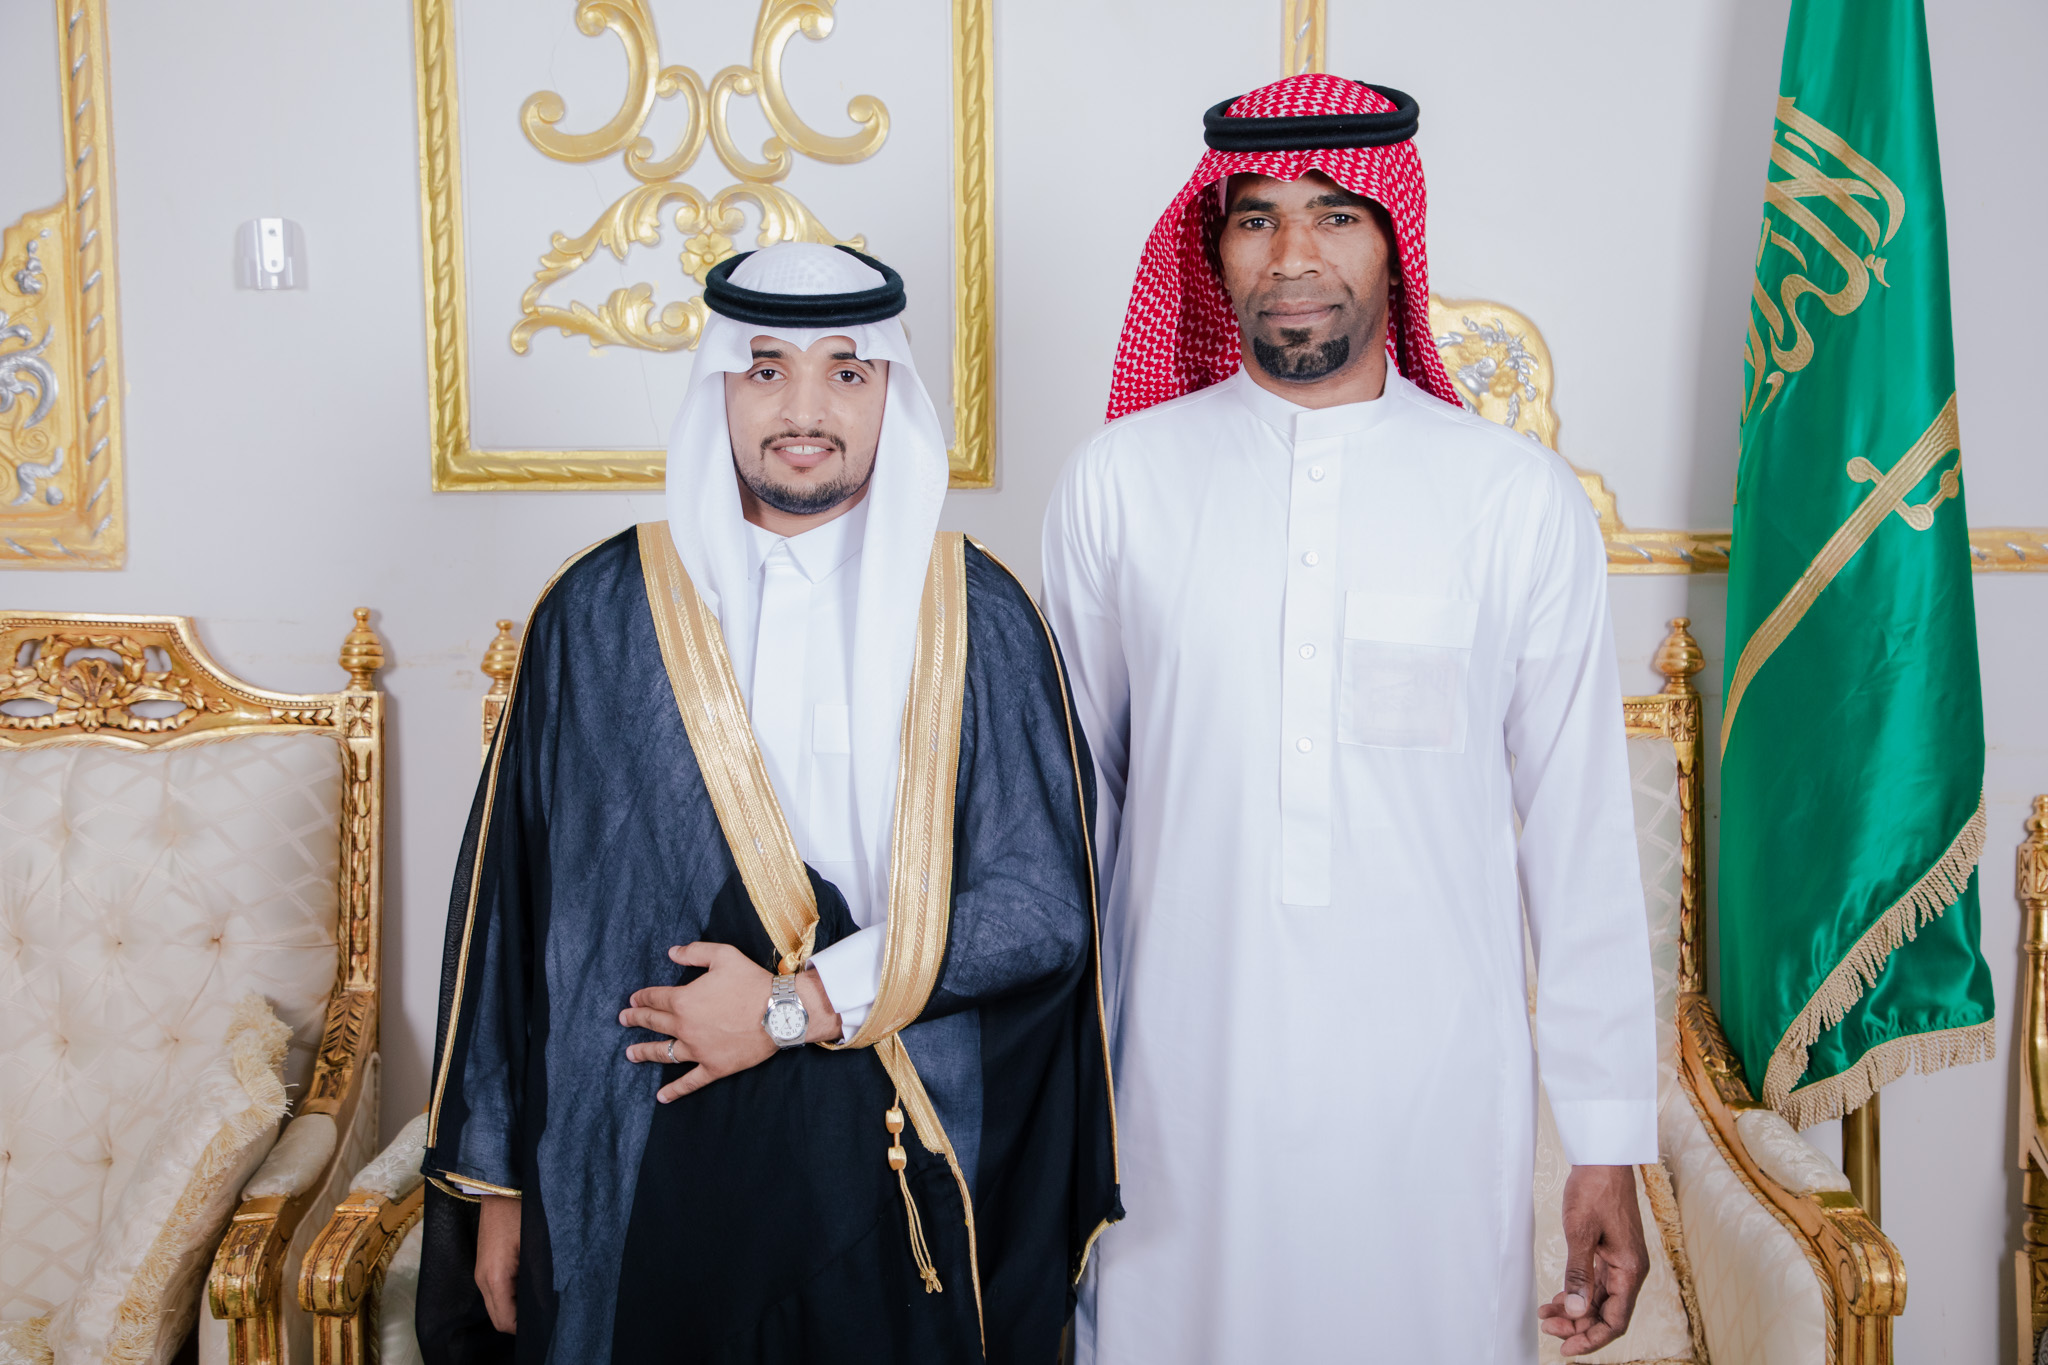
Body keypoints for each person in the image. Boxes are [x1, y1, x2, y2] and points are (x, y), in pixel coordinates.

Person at [1041, 75, 1658, 1362]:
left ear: (1393, 240)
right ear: (1213, 250)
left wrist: (1605, 1141)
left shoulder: (1512, 500)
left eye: (1334, 215)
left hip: (1430, 1114)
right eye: (1254, 219)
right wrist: (1042, 1114)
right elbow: (1067, 824)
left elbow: (1580, 841)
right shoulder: (1119, 485)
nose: (1293, 257)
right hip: (1177, 1102)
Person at [418, 242, 1119, 1365]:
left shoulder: (974, 612)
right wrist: (499, 1188)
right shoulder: (598, 611)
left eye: (846, 372)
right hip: (643, 1150)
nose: (804, 410)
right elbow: (516, 918)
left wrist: (797, 1004)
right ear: (719, 390)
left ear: (890, 392)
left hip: (893, 1146)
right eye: (765, 371)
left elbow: (1039, 909)